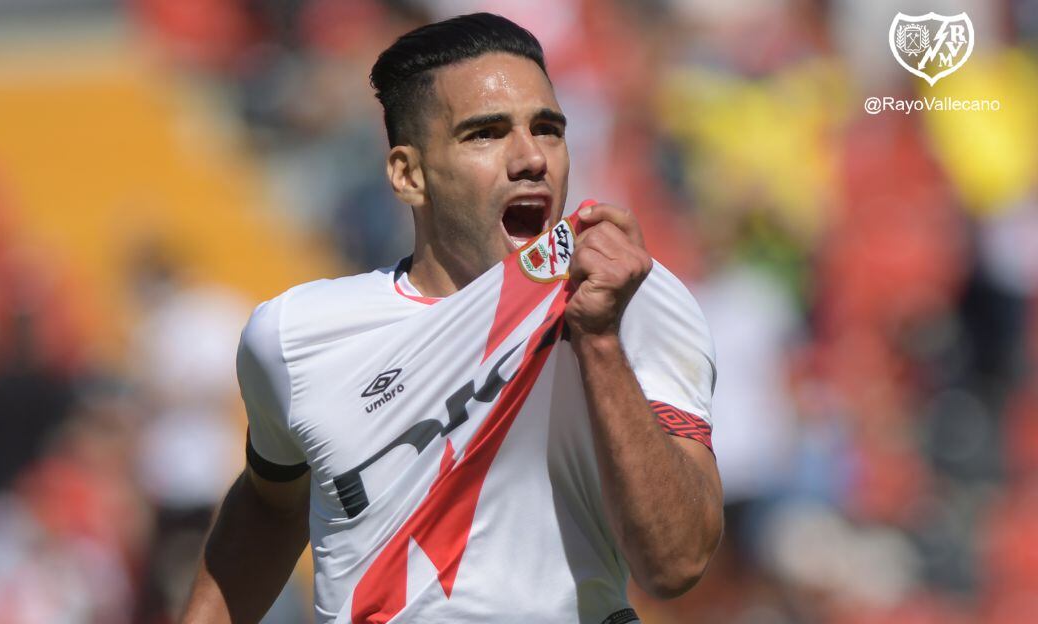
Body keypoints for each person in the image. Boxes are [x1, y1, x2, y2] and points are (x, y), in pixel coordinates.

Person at [183, 12, 722, 624]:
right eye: (485, 134)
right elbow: (272, 503)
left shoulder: (633, 297)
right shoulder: (294, 335)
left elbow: (675, 564)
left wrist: (597, 339)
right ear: (409, 175)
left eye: (547, 129)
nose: (530, 158)